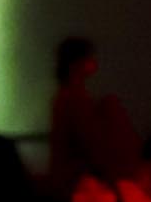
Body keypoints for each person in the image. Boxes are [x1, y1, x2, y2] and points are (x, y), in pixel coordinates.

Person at [49, 34, 144, 188]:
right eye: (89, 58)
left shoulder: (67, 96)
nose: (94, 62)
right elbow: (90, 141)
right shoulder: (74, 98)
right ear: (78, 63)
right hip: (78, 182)